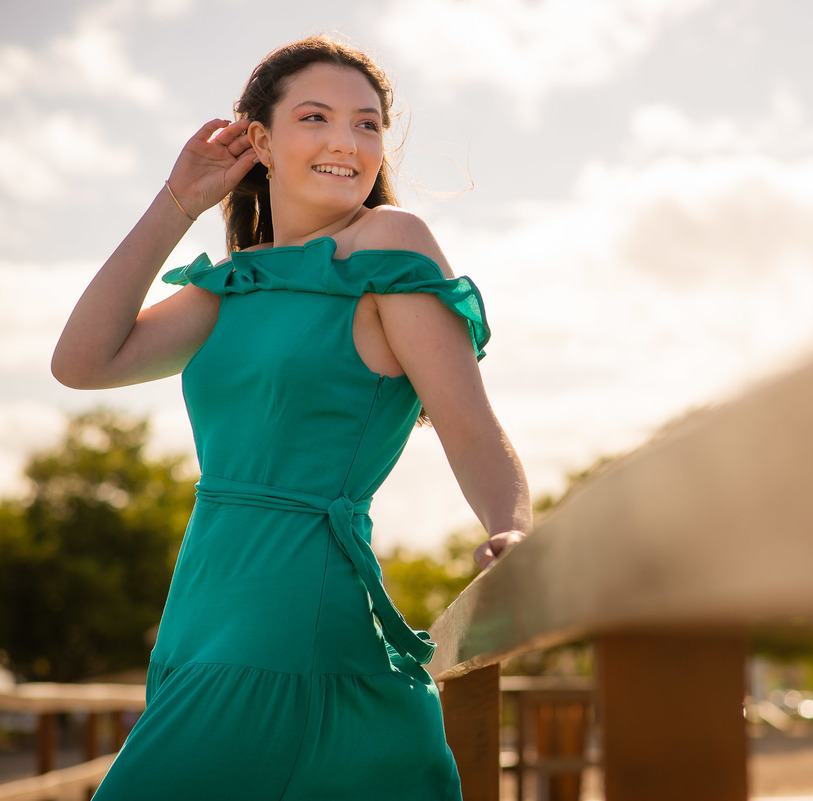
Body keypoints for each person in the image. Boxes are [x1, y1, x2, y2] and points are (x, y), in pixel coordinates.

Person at [51, 34, 530, 800]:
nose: (346, 141)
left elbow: (470, 423)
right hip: (202, 607)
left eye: (367, 124)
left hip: (297, 608)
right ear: (260, 141)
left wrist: (511, 525)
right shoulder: (234, 284)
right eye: (316, 117)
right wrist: (177, 203)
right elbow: (82, 361)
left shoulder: (390, 245)